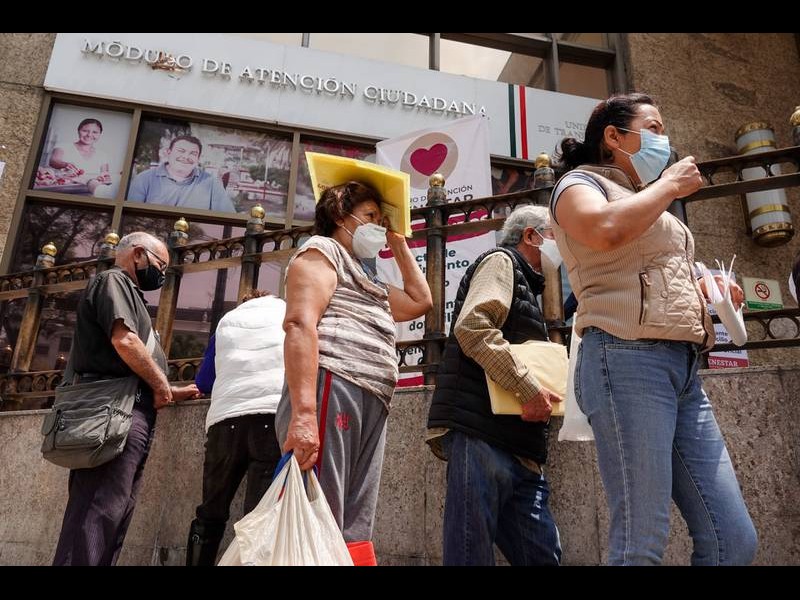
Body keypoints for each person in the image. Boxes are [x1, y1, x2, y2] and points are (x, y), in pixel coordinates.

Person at [550, 92, 757, 565]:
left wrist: (705, 286)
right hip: (626, 358)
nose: (664, 139)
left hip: (683, 369)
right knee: (640, 544)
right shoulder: (577, 184)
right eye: (654, 128)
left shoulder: (645, 199)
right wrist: (667, 185)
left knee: (733, 539)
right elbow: (604, 229)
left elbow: (648, 266)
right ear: (614, 136)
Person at [275, 173, 432, 565]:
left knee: (354, 525)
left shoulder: (368, 275)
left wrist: (398, 243)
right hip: (335, 383)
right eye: (370, 216)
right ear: (340, 215)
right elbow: (299, 324)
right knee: (319, 510)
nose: (377, 226)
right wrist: (304, 414)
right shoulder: (322, 251)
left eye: (381, 219)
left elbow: (420, 301)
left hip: (372, 397)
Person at [426, 204, 563, 566]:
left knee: (541, 555)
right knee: (470, 552)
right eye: (557, 234)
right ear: (531, 235)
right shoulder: (501, 262)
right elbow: (473, 327)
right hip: (483, 434)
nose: (564, 244)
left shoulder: (527, 285)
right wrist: (528, 388)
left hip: (519, 446)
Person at [52, 232, 200, 566]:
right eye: (161, 265)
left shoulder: (131, 294)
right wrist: (162, 386)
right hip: (112, 410)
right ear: (138, 254)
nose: (162, 275)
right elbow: (126, 342)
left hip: (126, 409)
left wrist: (166, 388)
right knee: (97, 511)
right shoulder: (114, 280)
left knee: (114, 511)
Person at [185, 289, 286, 567]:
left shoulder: (227, 321)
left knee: (210, 511)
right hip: (270, 417)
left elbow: (204, 381)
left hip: (224, 422)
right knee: (259, 514)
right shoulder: (288, 313)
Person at [128, 135, 236, 212]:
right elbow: (130, 214)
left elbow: (228, 217)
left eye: (193, 153)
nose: (186, 157)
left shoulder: (211, 183)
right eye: (181, 151)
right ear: (168, 153)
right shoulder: (144, 179)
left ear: (198, 159)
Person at [48, 118, 113, 197]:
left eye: (95, 132)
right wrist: (65, 164)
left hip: (91, 195)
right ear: (78, 131)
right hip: (62, 193)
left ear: (100, 134)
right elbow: (53, 161)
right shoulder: (63, 146)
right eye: (85, 131)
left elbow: (105, 177)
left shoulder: (102, 154)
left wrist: (104, 178)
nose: (89, 135)